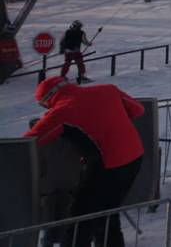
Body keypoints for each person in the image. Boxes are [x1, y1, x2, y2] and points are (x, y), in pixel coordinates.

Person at [25, 76, 144, 247]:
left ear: (48, 99)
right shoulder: (109, 90)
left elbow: (29, 141)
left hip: (106, 165)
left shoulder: (61, 112)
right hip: (134, 157)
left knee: (80, 219)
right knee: (108, 212)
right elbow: (138, 110)